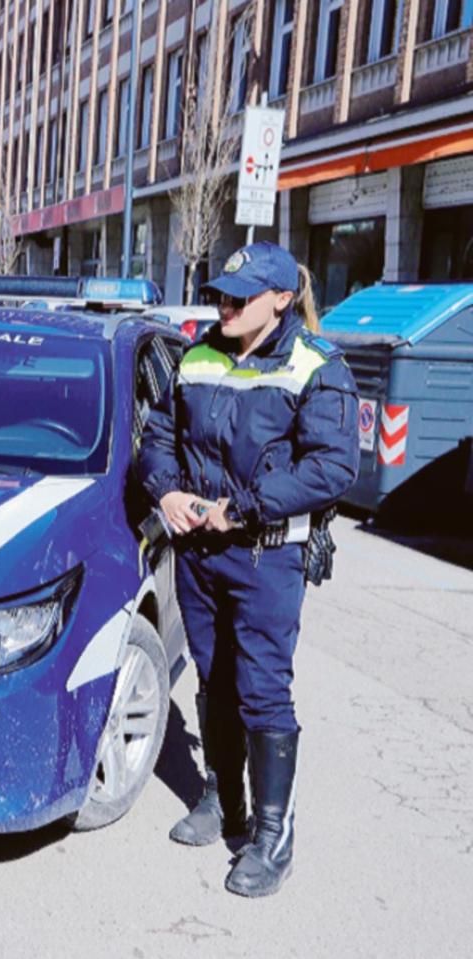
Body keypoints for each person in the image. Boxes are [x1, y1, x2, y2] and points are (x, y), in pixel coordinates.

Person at [137, 241, 359, 897]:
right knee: (213, 677)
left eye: (240, 296)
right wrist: (167, 490)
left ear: (282, 299)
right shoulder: (197, 355)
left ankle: (271, 833)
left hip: (265, 553)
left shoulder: (317, 366)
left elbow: (331, 467)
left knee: (261, 688)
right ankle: (222, 800)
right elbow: (159, 439)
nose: (224, 305)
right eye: (221, 294)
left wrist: (244, 509)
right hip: (200, 552)